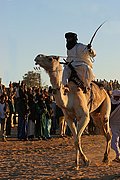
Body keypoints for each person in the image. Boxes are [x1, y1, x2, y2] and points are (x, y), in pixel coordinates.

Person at [110, 89, 120, 162]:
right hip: (114, 123)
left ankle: (117, 155)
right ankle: (117, 155)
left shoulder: (110, 103)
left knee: (115, 141)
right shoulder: (110, 103)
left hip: (114, 123)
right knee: (115, 140)